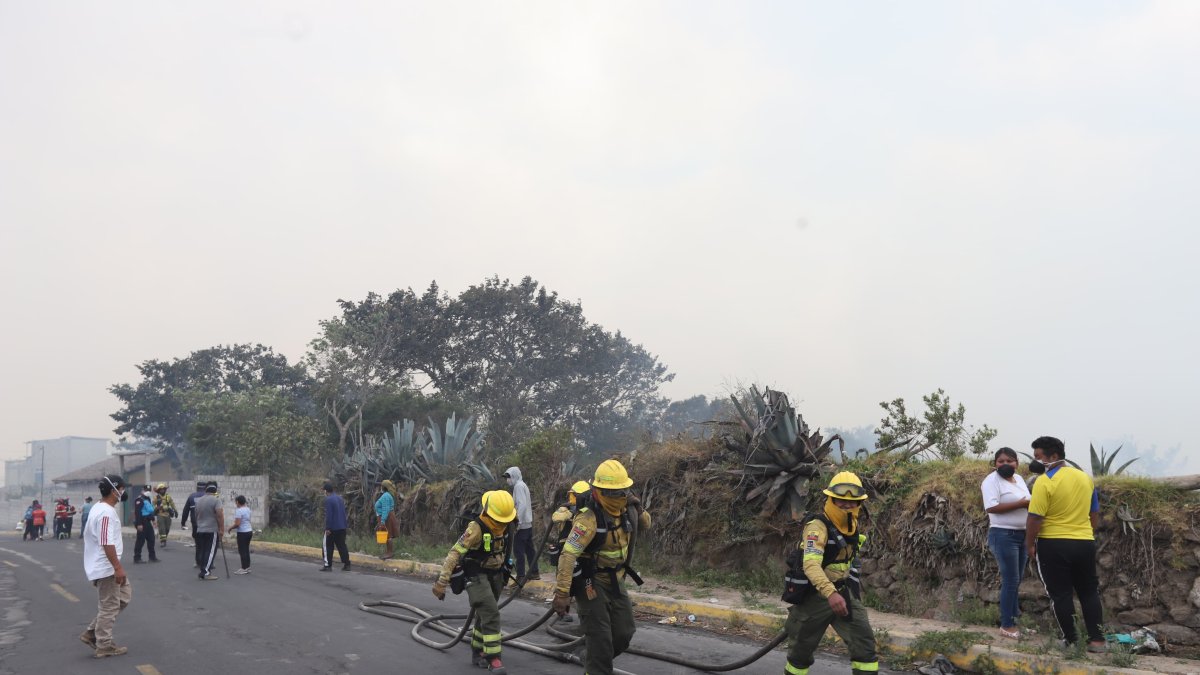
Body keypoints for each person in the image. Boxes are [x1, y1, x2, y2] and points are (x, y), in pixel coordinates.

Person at [552, 460, 652, 675]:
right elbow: (568, 554)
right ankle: (595, 665)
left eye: (621, 491)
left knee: (624, 633)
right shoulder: (588, 518)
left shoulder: (627, 509)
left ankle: (591, 658)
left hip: (616, 580)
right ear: (599, 490)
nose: (618, 497)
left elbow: (646, 524)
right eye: (613, 492)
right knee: (600, 639)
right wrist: (561, 593)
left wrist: (638, 507)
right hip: (591, 583)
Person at [780, 471, 878, 675]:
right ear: (831, 499)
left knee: (865, 645)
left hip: (843, 594)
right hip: (816, 598)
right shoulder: (817, 527)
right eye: (841, 501)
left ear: (859, 504)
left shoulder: (851, 525)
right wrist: (830, 593)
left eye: (853, 502)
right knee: (800, 653)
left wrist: (845, 589)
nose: (847, 506)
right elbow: (811, 565)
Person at [1025, 436, 1106, 653]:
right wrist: (1088, 533)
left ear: (1054, 456)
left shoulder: (1044, 481)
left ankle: (1071, 642)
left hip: (1053, 544)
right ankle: (1097, 641)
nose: (1036, 462)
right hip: (1084, 542)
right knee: (1089, 591)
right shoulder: (1085, 478)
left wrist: (1029, 544)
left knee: (1060, 594)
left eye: (1039, 457)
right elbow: (1094, 512)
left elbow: (1034, 518)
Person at [432, 490, 517, 675]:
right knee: (491, 613)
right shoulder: (476, 528)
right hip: (475, 575)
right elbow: (455, 553)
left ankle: (478, 649)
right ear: (487, 512)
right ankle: (493, 658)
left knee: (484, 614)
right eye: (499, 521)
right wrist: (442, 581)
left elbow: (507, 549)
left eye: (505, 521)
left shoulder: (508, 523)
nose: (502, 525)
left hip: (496, 574)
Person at [981, 447, 1031, 640]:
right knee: (1010, 580)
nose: (1005, 464)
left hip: (1021, 535)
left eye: (1009, 461)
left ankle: (1015, 620)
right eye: (1001, 461)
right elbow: (991, 507)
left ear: (1016, 463)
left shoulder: (1018, 479)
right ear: (995, 464)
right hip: (1003, 535)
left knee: (1016, 580)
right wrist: (1022, 504)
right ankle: (1006, 625)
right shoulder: (991, 481)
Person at [80, 474, 131, 658]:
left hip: (107, 565)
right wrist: (117, 567)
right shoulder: (105, 512)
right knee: (109, 606)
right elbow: (105, 541)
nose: (124, 492)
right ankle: (104, 644)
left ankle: (92, 632)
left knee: (124, 596)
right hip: (106, 567)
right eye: (122, 488)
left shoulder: (101, 508)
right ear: (114, 490)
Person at [503, 466, 539, 583]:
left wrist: (518, 522)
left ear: (514, 476)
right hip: (528, 524)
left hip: (522, 525)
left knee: (519, 551)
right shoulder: (523, 485)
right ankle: (534, 572)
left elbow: (522, 505)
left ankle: (520, 576)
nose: (507, 479)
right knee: (530, 550)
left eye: (508, 477)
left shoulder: (518, 486)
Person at [546, 480, 591, 567]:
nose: (570, 497)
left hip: (582, 548)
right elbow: (555, 517)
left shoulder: (589, 510)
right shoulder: (566, 508)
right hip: (565, 546)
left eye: (573, 494)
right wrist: (571, 513)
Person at [193, 482, 224, 580]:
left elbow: (195, 515)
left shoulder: (199, 501)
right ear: (215, 491)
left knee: (202, 550)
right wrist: (221, 529)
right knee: (210, 551)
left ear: (206, 490)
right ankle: (206, 572)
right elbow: (220, 515)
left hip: (200, 529)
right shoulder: (216, 500)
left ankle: (203, 570)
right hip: (211, 529)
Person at [321, 482, 350, 572]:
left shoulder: (329, 500)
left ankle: (327, 565)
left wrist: (328, 528)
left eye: (324, 490)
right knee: (342, 546)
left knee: (327, 546)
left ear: (326, 491)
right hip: (342, 527)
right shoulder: (340, 498)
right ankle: (347, 564)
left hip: (332, 528)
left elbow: (329, 515)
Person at [374, 479, 400, 560]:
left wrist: (382, 521)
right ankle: (388, 552)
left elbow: (385, 509)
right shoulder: (388, 495)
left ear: (383, 487)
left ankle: (390, 553)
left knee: (388, 535)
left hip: (387, 517)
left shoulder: (385, 496)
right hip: (387, 516)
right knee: (387, 534)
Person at [132, 486, 159, 563]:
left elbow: (150, 512)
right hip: (142, 522)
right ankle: (137, 558)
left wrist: (153, 520)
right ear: (142, 490)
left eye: (149, 490)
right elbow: (138, 512)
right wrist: (139, 524)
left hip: (148, 522)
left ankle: (152, 557)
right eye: (146, 490)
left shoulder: (148, 499)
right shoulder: (139, 499)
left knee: (151, 539)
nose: (148, 491)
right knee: (140, 541)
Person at [227, 495, 253, 574]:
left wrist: (230, 528)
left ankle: (243, 568)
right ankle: (247, 567)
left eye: (236, 502)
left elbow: (237, 524)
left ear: (238, 502)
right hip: (249, 531)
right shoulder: (248, 509)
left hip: (242, 532)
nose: (235, 503)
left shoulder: (239, 511)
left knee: (242, 550)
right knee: (246, 550)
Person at [180, 480, 207, 551]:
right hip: (207, 523)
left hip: (195, 522)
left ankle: (199, 550)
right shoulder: (209, 497)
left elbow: (185, 511)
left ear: (197, 488)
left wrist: (183, 523)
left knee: (197, 539)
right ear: (205, 488)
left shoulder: (191, 496)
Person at [154, 483, 177, 548]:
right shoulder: (156, 497)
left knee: (167, 528)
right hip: (160, 514)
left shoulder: (168, 497)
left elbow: (172, 504)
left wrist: (175, 511)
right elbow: (153, 505)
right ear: (159, 490)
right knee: (162, 528)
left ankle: (164, 538)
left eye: (163, 489)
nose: (162, 490)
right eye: (161, 489)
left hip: (167, 515)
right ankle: (163, 541)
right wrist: (157, 508)